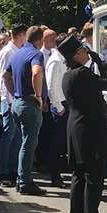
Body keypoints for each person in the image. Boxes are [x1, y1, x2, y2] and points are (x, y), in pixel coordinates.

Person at [59, 36, 107, 213]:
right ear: (77, 54)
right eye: (84, 50)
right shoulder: (82, 74)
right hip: (90, 130)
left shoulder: (68, 75)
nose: (87, 52)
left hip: (76, 129)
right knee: (93, 178)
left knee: (79, 177)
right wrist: (101, 62)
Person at [8, 25, 47, 195]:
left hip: (17, 102)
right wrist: (38, 95)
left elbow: (5, 75)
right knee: (29, 144)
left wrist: (14, 92)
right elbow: (36, 72)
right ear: (40, 39)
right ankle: (25, 182)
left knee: (24, 142)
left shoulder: (18, 53)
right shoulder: (36, 54)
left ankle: (20, 178)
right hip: (29, 104)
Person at [0, 24, 26, 188]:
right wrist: (10, 98)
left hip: (15, 98)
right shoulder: (8, 52)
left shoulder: (16, 51)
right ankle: (3, 172)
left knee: (16, 136)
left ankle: (13, 170)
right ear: (20, 35)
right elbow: (4, 77)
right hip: (9, 99)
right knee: (8, 134)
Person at [42, 29, 68, 188]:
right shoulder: (55, 61)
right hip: (59, 105)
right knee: (56, 142)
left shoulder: (61, 59)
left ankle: (59, 170)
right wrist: (58, 107)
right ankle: (55, 174)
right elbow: (51, 86)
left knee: (61, 141)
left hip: (64, 103)